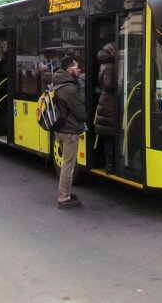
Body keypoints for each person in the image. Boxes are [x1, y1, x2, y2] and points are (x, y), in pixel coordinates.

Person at [53, 56, 87, 209]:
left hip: (60, 129)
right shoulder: (69, 89)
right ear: (69, 70)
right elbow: (80, 113)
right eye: (77, 67)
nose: (79, 70)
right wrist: (86, 116)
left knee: (67, 164)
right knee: (68, 165)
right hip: (69, 131)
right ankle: (63, 197)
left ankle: (66, 192)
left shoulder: (57, 84)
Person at [94, 42, 116, 172]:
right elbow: (109, 85)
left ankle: (109, 164)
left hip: (104, 102)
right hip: (110, 104)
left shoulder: (103, 64)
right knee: (110, 136)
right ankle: (110, 165)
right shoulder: (111, 66)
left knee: (108, 137)